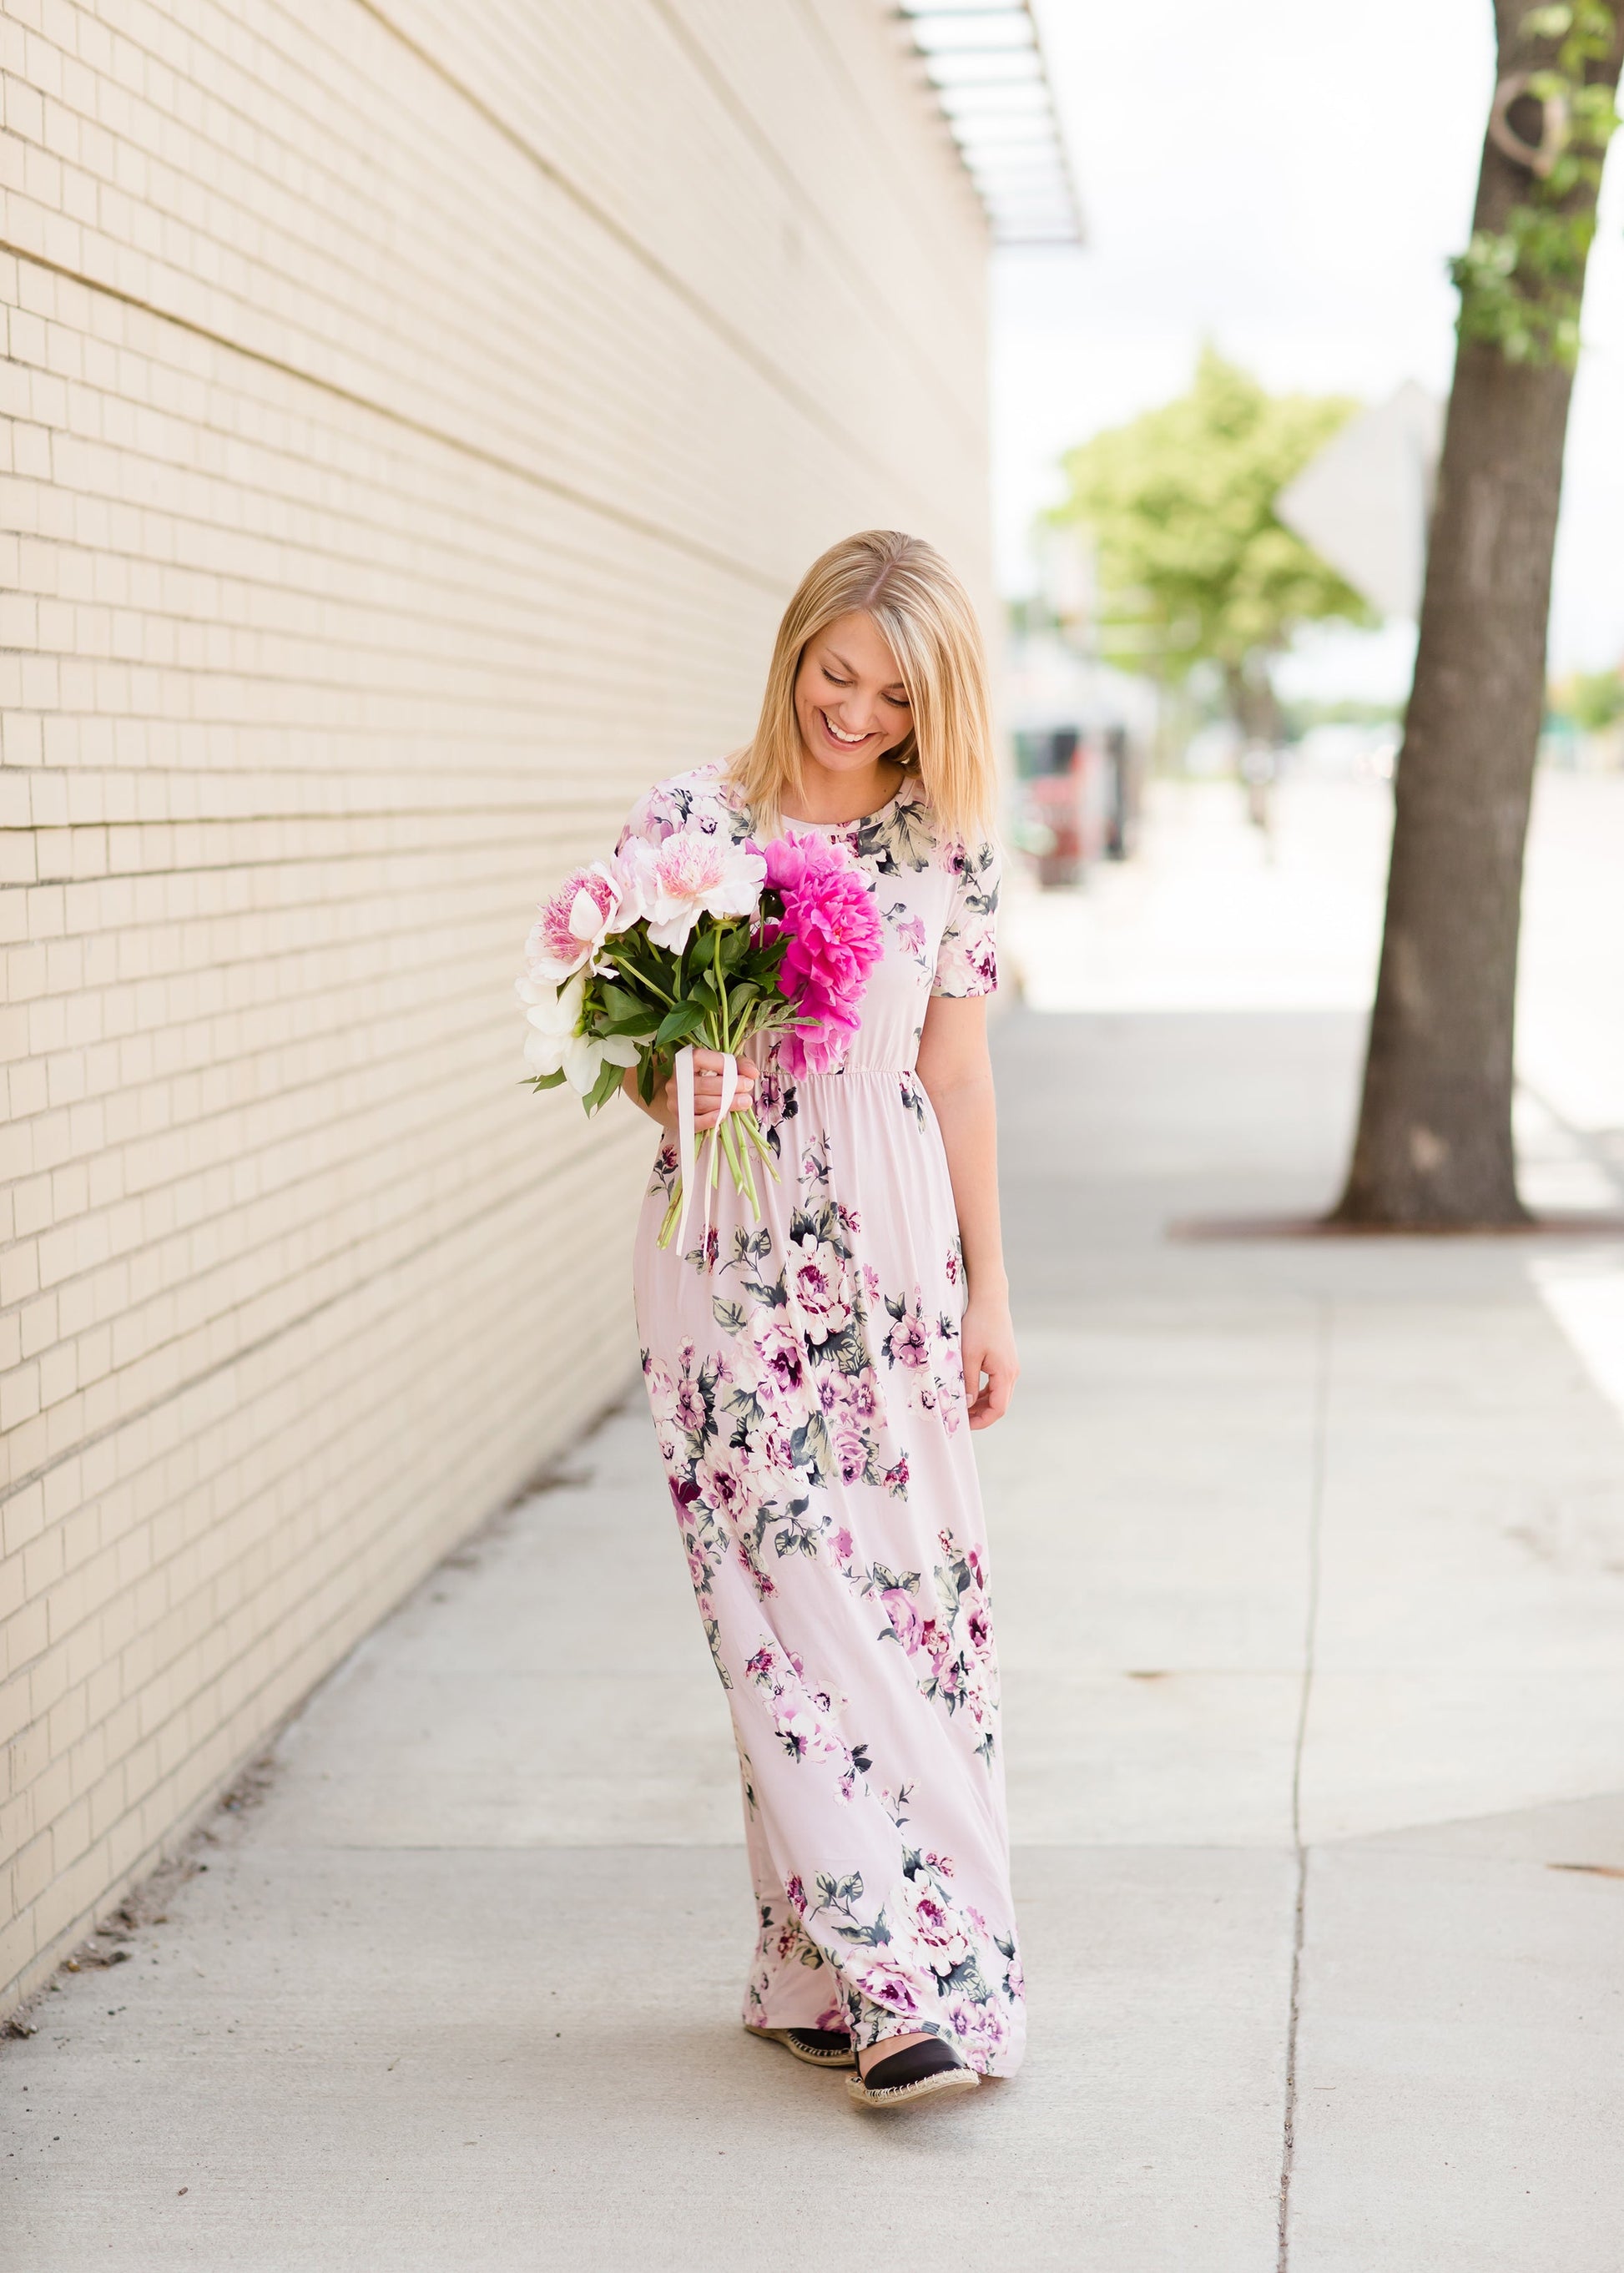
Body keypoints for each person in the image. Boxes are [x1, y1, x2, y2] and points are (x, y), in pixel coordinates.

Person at [620, 530, 1024, 2112]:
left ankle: (811, 1972)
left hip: (891, 1247)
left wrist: (993, 1288)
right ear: (793, 649)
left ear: (935, 709)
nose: (854, 712)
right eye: (835, 672)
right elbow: (644, 1050)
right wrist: (680, 1076)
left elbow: (961, 1070)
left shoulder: (948, 843)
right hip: (721, 1236)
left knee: (905, 1603)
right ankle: (897, 1982)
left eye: (894, 694)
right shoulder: (689, 825)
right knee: (777, 1592)